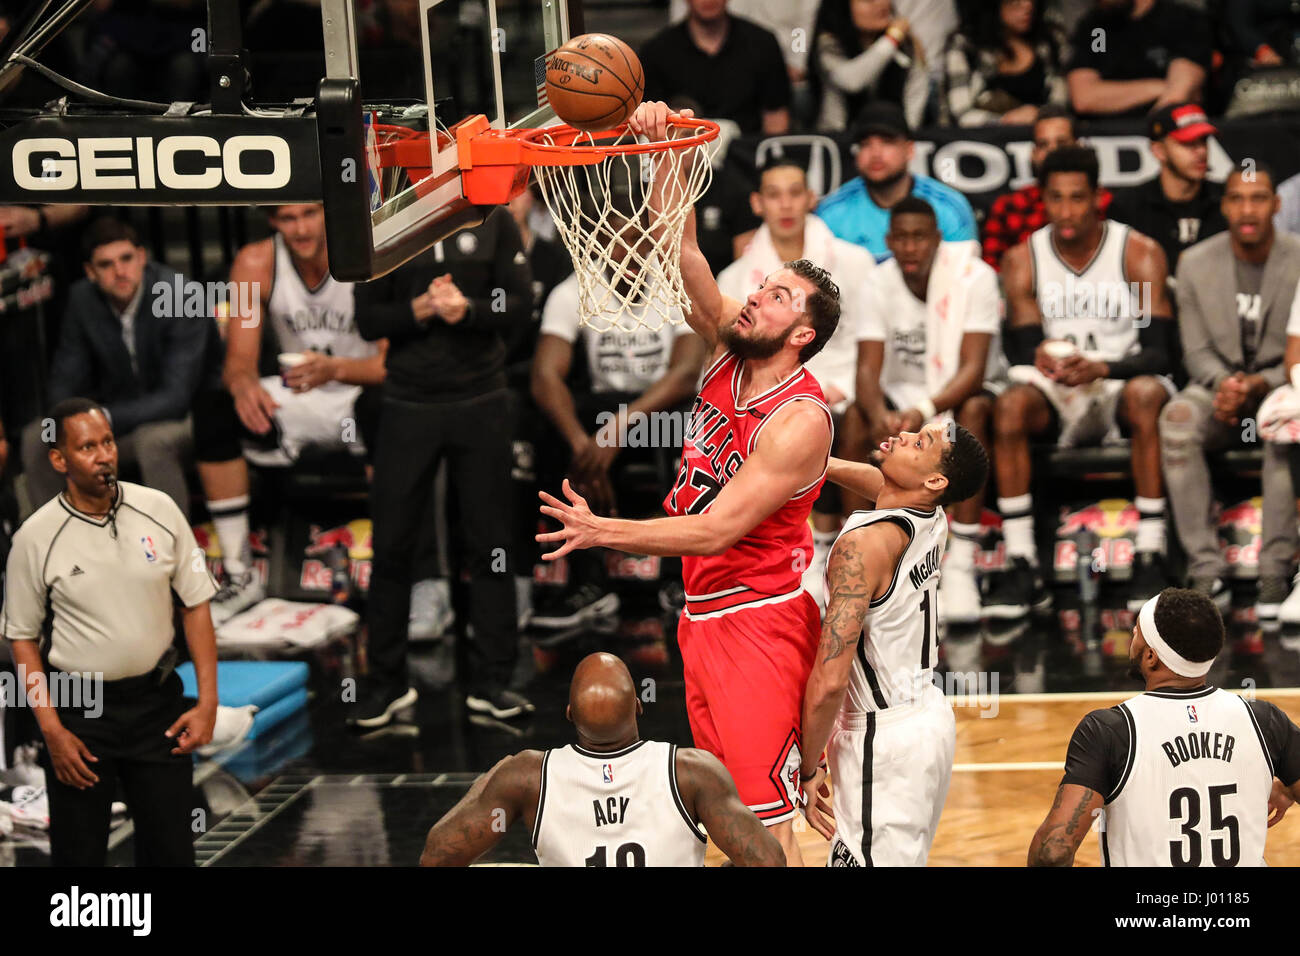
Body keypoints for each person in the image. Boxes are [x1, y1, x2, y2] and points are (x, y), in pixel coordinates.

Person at [538, 101, 839, 866]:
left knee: (766, 830)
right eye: (762, 286)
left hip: (759, 623)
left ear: (801, 334)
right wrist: (662, 148)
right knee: (730, 818)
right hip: (705, 614)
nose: (755, 298)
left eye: (776, 296)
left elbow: (714, 530)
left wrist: (606, 532)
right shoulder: (733, 346)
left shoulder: (799, 418)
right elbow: (685, 254)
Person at [2, 398, 219, 866]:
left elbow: (196, 606)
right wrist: (52, 731)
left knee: (172, 854)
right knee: (78, 863)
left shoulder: (158, 508)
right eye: (86, 447)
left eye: (107, 442)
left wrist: (207, 703)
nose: (103, 456)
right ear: (58, 459)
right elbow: (22, 640)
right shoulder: (36, 538)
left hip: (157, 703)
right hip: (81, 714)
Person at [352, 208, 533, 728]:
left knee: (490, 543)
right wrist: (423, 308)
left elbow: (519, 303)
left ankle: (494, 680)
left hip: (481, 397)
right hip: (408, 401)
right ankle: (385, 682)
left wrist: (469, 309)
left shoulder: (492, 218)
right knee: (392, 543)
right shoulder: (382, 220)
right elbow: (368, 319)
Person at [990, 146, 1176, 618]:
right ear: (1043, 200)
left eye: (1077, 198)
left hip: (1118, 386)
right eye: (1056, 199)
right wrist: (1047, 364)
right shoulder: (1023, 259)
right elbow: (1026, 345)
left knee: (1147, 393)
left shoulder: (1138, 253)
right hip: (1058, 392)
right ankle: (1021, 561)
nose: (1067, 211)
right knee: (1009, 405)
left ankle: (1151, 552)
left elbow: (1159, 353)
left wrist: (1103, 368)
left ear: (1098, 197)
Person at [799, 423, 988, 866]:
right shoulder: (934, 516)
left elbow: (830, 679)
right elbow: (876, 483)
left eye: (919, 443)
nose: (903, 434)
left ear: (935, 480)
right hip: (926, 718)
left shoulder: (862, 547)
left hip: (882, 740)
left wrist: (807, 768)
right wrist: (808, 463)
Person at [191, 203, 386, 626]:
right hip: (300, 395)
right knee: (213, 410)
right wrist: (243, 386)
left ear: (327, 211)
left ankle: (394, 574)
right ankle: (242, 575)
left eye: (310, 214)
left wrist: (334, 369)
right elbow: (238, 361)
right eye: (287, 218)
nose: (300, 228)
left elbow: (391, 365)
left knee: (391, 407)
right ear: (272, 221)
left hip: (361, 391)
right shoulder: (255, 261)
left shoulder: (367, 247)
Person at [420, 652, 784, 866]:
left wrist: (490, 779)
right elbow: (768, 861)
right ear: (638, 707)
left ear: (568, 714)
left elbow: (436, 856)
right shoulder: (692, 771)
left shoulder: (525, 777)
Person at [1028, 587, 1300, 866]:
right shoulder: (1264, 721)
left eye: (1136, 632)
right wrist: (1290, 789)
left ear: (1151, 657)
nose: (1132, 637)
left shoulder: (1109, 731)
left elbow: (1053, 853)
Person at [531, 219, 707, 627]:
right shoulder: (576, 286)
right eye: (617, 241)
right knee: (552, 431)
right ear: (598, 244)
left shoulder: (675, 284)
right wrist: (581, 445)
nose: (628, 252)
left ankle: (677, 579)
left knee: (687, 430)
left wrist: (617, 429)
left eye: (638, 241)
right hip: (602, 418)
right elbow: (544, 377)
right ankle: (587, 584)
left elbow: (683, 377)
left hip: (662, 412)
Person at [718, 158, 876, 601]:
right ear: (757, 202)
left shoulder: (856, 261)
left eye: (795, 192)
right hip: (771, 400)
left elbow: (870, 340)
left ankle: (845, 550)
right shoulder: (735, 278)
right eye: (774, 193)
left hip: (844, 387)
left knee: (845, 422)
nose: (786, 204)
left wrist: (840, 387)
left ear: (812, 199)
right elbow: (735, 363)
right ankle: (806, 550)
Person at [1162, 165, 1300, 618]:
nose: (1247, 209)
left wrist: (1262, 385)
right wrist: (1225, 386)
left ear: (1276, 205)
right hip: (1218, 389)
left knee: (1285, 422)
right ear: (1223, 206)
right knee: (1177, 420)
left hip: (1281, 384)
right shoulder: (1195, 263)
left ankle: (1276, 570)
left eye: (1258, 198)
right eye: (1237, 198)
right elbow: (1195, 351)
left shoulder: (1298, 257)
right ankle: (1206, 568)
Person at [854, 198, 1001, 624]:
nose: (910, 246)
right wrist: (878, 411)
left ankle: (961, 564)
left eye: (919, 237)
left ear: (937, 239)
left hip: (955, 397)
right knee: (853, 419)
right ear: (889, 241)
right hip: (905, 406)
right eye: (901, 237)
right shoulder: (876, 282)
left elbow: (973, 370)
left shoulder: (974, 278)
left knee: (970, 416)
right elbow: (867, 368)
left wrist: (923, 410)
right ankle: (845, 555)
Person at [20, 218, 209, 517]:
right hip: (115, 423)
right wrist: (65, 421)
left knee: (153, 442)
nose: (120, 271)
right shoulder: (82, 300)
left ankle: (174, 552)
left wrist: (100, 419)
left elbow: (176, 397)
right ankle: (60, 543)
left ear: (142, 257)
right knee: (38, 434)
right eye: (106, 264)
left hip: (185, 417)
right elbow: (64, 377)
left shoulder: (180, 295)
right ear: (90, 272)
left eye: (126, 259)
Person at [817, 102, 978, 263]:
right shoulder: (830, 213)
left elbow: (964, 278)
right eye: (865, 144)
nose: (875, 153)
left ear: (909, 150)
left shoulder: (950, 207)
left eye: (887, 142)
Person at [980, 105, 1113, 271]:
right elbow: (991, 273)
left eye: (1061, 142)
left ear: (1078, 146)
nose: (1052, 152)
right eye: (1043, 144)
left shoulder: (1105, 202)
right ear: (1033, 154)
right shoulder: (1009, 206)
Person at [1107, 103, 1227, 281]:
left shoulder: (1227, 200)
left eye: (1204, 141)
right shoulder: (1128, 207)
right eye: (1188, 143)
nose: (1201, 151)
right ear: (1159, 151)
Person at [640, 0, 791, 135]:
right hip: (682, 154)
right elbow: (649, 125)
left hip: (746, 157)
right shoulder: (656, 51)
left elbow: (776, 119)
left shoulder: (762, 43)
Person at [1065, 0, 1212, 118]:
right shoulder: (1097, 30)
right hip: (1105, 136)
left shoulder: (1183, 21)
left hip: (1164, 134)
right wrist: (1160, 87)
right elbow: (1084, 98)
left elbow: (1176, 95)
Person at [941, 0, 1068, 127]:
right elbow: (960, 114)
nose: (1028, 5)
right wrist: (1005, 120)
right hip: (981, 140)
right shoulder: (965, 45)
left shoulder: (1050, 42)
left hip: (1042, 135)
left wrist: (1040, 115)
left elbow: (1060, 106)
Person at [809, 0, 930, 132]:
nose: (881, 3)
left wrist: (902, 141)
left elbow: (915, 100)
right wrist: (891, 40)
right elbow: (851, 81)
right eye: (868, 0)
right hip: (839, 139)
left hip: (893, 138)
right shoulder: (828, 43)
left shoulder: (905, 44)